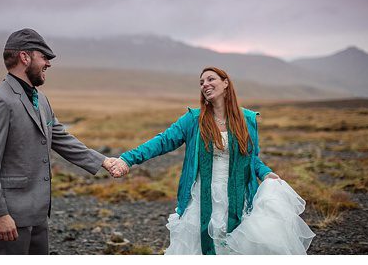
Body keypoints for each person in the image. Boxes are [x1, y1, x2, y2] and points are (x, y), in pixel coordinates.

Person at [106, 67, 314, 254]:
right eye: (201, 82)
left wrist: (266, 173)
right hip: (201, 196)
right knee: (202, 244)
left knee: (233, 246)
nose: (205, 84)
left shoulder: (247, 119)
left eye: (210, 79)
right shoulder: (193, 119)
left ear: (225, 83)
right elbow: (162, 141)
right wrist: (127, 159)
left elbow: (251, 158)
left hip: (237, 195)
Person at [0, 28, 112, 254]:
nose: (49, 64)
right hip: (8, 217)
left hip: (37, 215)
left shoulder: (41, 99)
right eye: (44, 57)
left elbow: (60, 137)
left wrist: (104, 161)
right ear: (24, 57)